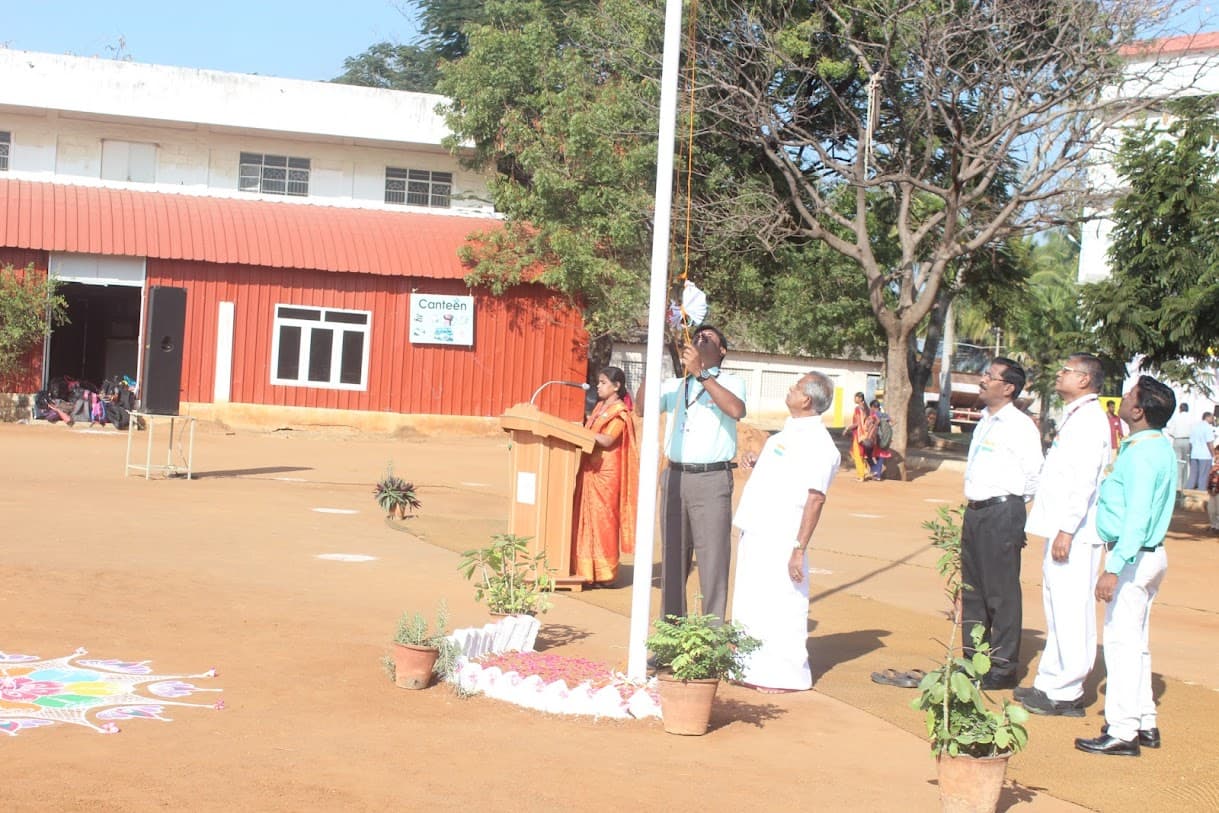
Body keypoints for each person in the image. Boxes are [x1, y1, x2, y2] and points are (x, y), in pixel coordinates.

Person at [1075, 375, 1176, 757]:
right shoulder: (1156, 447)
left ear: (1139, 410)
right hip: (1148, 554)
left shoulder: (1143, 453)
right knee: (1137, 644)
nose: (1123, 399)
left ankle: (1122, 731)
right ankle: (1144, 720)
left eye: (1130, 395)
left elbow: (1136, 517)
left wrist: (1114, 567)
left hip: (1133, 556)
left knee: (1120, 645)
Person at [731, 371, 840, 693]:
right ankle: (748, 667)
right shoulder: (784, 436)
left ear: (806, 399)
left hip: (783, 536)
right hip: (757, 529)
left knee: (784, 605)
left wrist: (799, 548)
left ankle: (784, 675)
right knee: (752, 603)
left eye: (795, 387)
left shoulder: (820, 444)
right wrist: (755, 459)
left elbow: (815, 497)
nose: (789, 390)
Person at [1018, 354, 1111, 716]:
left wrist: (1068, 529)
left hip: (1075, 532)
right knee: (1057, 609)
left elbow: (1085, 479)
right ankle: (1050, 682)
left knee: (1073, 610)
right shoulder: (1077, 416)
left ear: (1085, 379)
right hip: (1061, 528)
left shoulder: (1090, 420)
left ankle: (1068, 690)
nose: (1059, 375)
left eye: (1067, 371)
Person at [637, 325, 746, 623]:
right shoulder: (675, 385)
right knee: (673, 560)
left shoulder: (732, 382)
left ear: (722, 350)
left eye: (708, 338)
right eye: (697, 336)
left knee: (712, 560)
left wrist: (701, 374)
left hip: (711, 481)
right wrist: (651, 364)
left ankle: (712, 639)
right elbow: (642, 408)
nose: (700, 339)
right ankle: (672, 635)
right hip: (674, 478)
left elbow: (736, 410)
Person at [961, 357, 1043, 689]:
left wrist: (1009, 511)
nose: (983, 380)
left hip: (1002, 512)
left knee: (1001, 592)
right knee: (973, 591)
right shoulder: (985, 420)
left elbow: (1035, 477)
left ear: (1007, 388)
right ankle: (973, 660)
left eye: (989, 376)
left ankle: (1002, 666)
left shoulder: (1020, 426)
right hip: (976, 512)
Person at [572, 367, 640, 587]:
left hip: (606, 474)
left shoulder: (619, 412)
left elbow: (608, 440)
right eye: (598, 382)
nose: (598, 386)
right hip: (590, 470)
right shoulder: (600, 407)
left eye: (602, 382)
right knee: (585, 520)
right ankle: (586, 570)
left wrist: (582, 433)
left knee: (603, 522)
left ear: (616, 386)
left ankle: (606, 574)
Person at [1185, 412, 1215, 490]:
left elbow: (1190, 443)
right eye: (1212, 418)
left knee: (1192, 476)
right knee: (1203, 477)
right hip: (1205, 455)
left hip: (1194, 454)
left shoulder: (1195, 427)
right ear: (1207, 417)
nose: (1212, 420)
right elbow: (1210, 443)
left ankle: (1187, 493)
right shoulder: (1208, 427)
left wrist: (1191, 453)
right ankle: (1201, 494)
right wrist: (1213, 455)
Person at [1165, 403, 1192, 489]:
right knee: (1186, 462)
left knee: (1178, 463)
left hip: (1178, 440)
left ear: (1180, 409)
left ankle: (1177, 485)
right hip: (1188, 440)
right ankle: (1185, 484)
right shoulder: (1192, 418)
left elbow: (1170, 431)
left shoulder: (1176, 418)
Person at [849, 392, 873, 481]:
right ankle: (864, 471)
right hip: (865, 434)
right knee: (861, 454)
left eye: (855, 398)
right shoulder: (866, 408)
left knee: (857, 454)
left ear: (859, 398)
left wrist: (848, 428)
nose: (854, 399)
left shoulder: (858, 409)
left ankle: (861, 475)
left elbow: (858, 423)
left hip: (858, 434)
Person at [868, 399, 891, 481]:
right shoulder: (885, 415)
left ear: (873, 407)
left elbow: (876, 421)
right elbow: (893, 422)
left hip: (878, 437)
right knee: (881, 455)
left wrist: (874, 427)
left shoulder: (875, 414)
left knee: (875, 454)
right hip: (886, 437)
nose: (871, 409)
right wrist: (887, 430)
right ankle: (877, 474)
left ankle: (876, 472)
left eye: (871, 407)